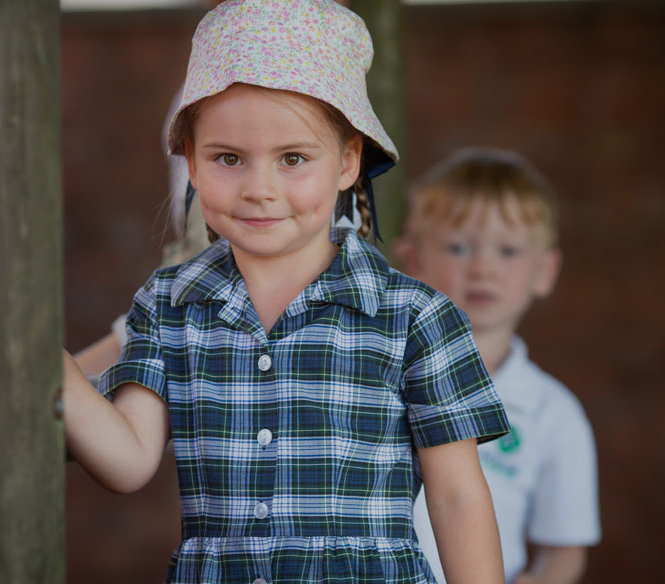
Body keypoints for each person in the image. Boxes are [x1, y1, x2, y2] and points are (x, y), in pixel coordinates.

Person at [62, 2, 511, 582]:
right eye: (228, 158)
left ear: (348, 162)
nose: (259, 188)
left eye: (292, 158)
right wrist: (50, 365)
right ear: (191, 163)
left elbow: (457, 498)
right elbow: (127, 460)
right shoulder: (168, 305)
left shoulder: (415, 317)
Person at [393, 147, 601, 584]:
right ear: (413, 260)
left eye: (508, 250)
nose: (483, 269)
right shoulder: (380, 374)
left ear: (545, 271)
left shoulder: (553, 412)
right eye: (458, 247)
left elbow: (564, 551)